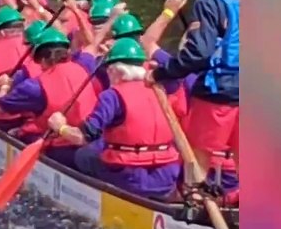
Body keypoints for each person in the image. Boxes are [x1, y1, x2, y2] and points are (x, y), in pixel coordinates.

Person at [147, 0, 240, 181]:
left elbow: (199, 53)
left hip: (218, 92)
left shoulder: (209, 1)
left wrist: (161, 73)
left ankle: (192, 203)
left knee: (197, 158)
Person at [48, 39, 182, 200]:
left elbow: (81, 138)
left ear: (116, 71)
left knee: (83, 156)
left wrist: (60, 127)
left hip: (131, 178)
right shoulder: (161, 88)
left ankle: (89, 197)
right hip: (166, 176)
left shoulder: (112, 96)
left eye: (109, 70)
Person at [0, 27, 98, 168]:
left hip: (62, 147)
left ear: (40, 59)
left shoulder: (34, 86)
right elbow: (92, 47)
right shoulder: (85, 65)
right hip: (95, 141)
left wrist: (3, 87)